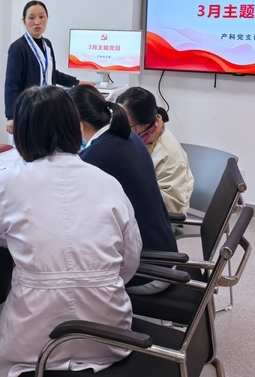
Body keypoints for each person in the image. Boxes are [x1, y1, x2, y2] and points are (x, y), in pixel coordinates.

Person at [0, 85, 141, 377]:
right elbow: (130, 259)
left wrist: (10, 235)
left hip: (35, 342)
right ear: (75, 127)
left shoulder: (10, 182)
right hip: (107, 336)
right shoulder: (107, 182)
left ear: (22, 134)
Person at [68, 85, 177, 294]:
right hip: (163, 256)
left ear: (79, 125)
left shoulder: (98, 155)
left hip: (147, 270)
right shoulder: (128, 136)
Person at [4, 1, 93, 134]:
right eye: (31, 17)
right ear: (24, 21)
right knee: (28, 144)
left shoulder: (47, 44)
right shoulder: (18, 48)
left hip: (48, 107)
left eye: (41, 16)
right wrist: (11, 116)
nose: (37, 22)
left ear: (47, 18)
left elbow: (51, 73)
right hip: (27, 109)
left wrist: (77, 82)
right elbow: (11, 84)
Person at [117, 87, 194, 216]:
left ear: (144, 124)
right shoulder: (137, 137)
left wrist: (128, 191)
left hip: (157, 217)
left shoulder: (168, 155)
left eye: (125, 124)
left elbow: (171, 206)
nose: (118, 127)